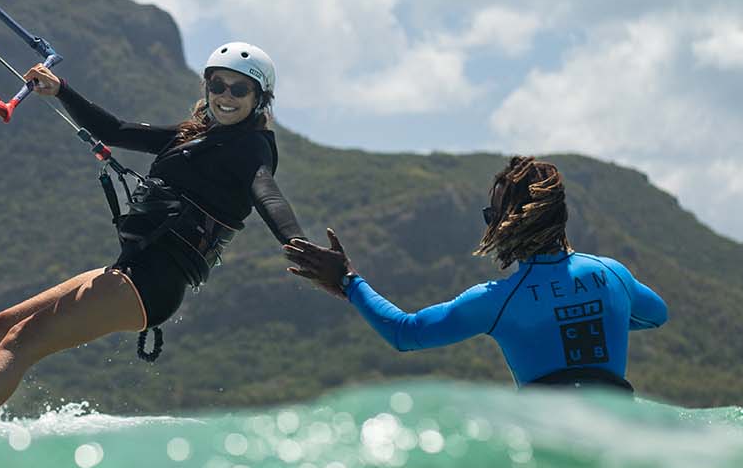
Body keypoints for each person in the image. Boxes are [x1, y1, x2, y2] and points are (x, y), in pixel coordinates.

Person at [0, 43, 313, 424]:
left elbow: (267, 191)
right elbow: (114, 130)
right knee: (1, 325)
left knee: (22, 342)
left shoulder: (252, 147)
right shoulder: (192, 135)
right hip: (131, 269)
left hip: (154, 283)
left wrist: (296, 244)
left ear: (259, 98)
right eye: (218, 85)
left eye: (239, 90)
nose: (225, 97)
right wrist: (61, 89)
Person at [283, 156, 667, 392]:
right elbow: (656, 315)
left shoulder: (497, 301)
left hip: (554, 437)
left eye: (491, 216)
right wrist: (593, 314)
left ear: (506, 224)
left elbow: (405, 332)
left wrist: (349, 281)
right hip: (619, 430)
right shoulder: (612, 275)